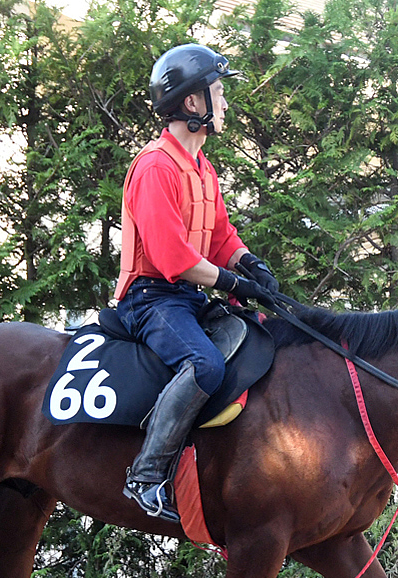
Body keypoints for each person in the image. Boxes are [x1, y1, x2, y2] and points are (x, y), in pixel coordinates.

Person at [115, 43, 280, 523]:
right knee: (204, 366)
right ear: (193, 103)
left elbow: (221, 236)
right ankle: (145, 476)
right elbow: (173, 259)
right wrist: (233, 281)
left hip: (186, 296)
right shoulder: (155, 167)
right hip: (150, 299)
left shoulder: (202, 168)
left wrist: (251, 265)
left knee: (258, 333)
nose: (225, 103)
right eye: (219, 93)